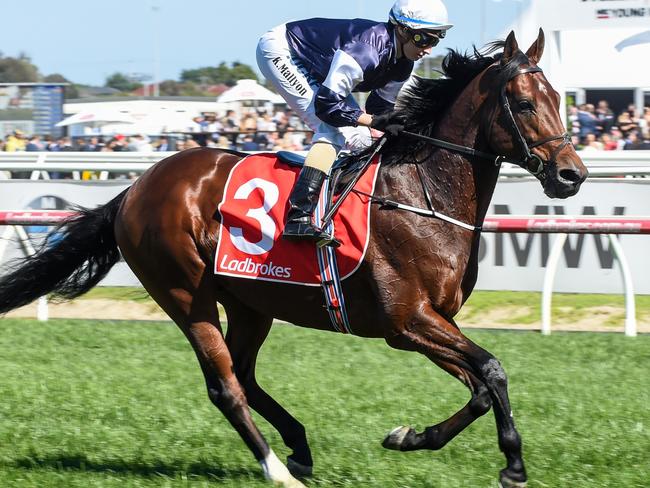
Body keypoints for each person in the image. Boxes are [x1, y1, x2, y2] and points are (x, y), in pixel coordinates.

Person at [257, 0, 453, 244]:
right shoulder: (366, 51)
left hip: (315, 64)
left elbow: (379, 109)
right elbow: (327, 106)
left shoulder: (404, 64)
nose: (429, 49)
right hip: (282, 51)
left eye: (435, 40)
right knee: (330, 130)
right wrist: (374, 120)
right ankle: (298, 217)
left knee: (361, 140)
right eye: (424, 39)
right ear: (403, 30)